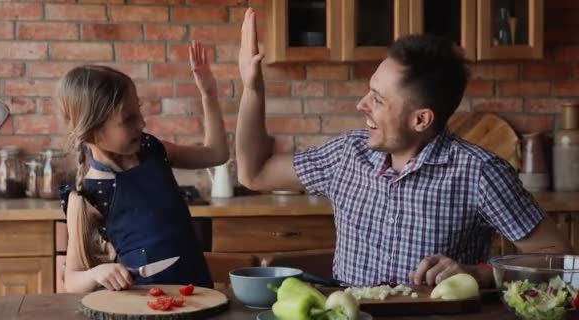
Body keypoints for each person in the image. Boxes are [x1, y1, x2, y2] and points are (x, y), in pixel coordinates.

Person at [235, 8, 573, 288]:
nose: (361, 104)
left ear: (421, 120)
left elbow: (557, 258)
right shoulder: (347, 154)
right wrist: (252, 88)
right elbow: (254, 173)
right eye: (370, 92)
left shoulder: (479, 172)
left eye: (378, 100)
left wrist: (478, 274)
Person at [58, 41, 228, 293]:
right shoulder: (87, 196)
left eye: (138, 111)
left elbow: (217, 153)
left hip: (199, 296)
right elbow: (71, 282)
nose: (142, 123)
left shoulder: (153, 151)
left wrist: (209, 94)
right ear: (92, 132)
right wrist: (97, 272)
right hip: (144, 307)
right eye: (128, 119)